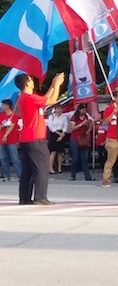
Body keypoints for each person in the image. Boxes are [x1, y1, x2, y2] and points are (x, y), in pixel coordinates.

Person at [17, 73, 65, 204]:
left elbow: (45, 98)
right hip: (35, 137)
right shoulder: (29, 98)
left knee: (28, 169)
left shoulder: (26, 98)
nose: (33, 81)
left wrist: (52, 85)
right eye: (30, 80)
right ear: (27, 83)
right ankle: (40, 196)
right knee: (42, 168)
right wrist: (56, 85)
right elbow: (51, 101)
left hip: (27, 138)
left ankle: (25, 197)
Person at [101, 91, 118, 187]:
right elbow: (106, 122)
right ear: (115, 99)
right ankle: (106, 180)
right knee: (111, 160)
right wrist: (114, 112)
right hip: (113, 138)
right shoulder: (108, 109)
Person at [68, 104, 95, 181]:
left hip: (84, 138)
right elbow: (72, 128)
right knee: (75, 158)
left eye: (85, 110)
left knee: (84, 158)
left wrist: (89, 127)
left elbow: (90, 124)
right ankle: (73, 175)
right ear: (79, 110)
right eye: (83, 110)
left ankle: (87, 176)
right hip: (75, 139)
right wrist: (81, 124)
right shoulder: (74, 118)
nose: (84, 111)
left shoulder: (86, 116)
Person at [0, 99, 22, 181]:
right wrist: (4, 125)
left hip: (11, 140)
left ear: (7, 106)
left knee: (15, 158)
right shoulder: (1, 115)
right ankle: (6, 175)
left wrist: (5, 135)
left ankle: (20, 175)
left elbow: (12, 126)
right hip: (1, 140)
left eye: (3, 105)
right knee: (3, 158)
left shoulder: (15, 116)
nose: (2, 107)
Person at [46, 104, 70, 174]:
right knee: (53, 152)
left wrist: (62, 135)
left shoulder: (63, 117)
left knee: (60, 152)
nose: (60, 110)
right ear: (55, 109)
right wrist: (59, 134)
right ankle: (50, 168)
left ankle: (59, 168)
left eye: (60, 109)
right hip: (54, 134)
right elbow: (51, 127)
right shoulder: (51, 117)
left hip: (62, 133)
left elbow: (65, 126)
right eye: (58, 109)